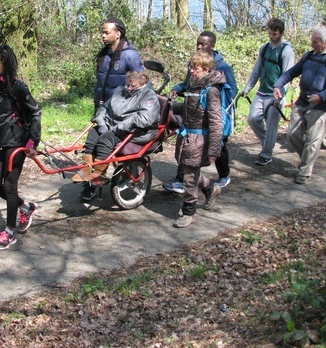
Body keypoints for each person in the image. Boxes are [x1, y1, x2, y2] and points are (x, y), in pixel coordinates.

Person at [163, 31, 237, 193]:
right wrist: (178, 88)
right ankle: (181, 179)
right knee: (188, 143)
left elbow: (232, 91)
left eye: (203, 44)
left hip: (216, 112)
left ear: (212, 46)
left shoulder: (223, 67)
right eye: (198, 43)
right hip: (194, 112)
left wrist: (215, 105)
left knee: (219, 144)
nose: (199, 46)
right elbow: (188, 84)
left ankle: (224, 175)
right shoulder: (194, 64)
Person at [72, 71, 160, 202]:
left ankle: (99, 174)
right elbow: (104, 107)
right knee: (94, 133)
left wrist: (119, 127)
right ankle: (87, 170)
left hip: (135, 131)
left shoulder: (149, 96)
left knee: (106, 139)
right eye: (127, 85)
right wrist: (101, 122)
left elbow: (144, 119)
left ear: (142, 85)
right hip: (112, 126)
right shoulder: (120, 91)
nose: (129, 89)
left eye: (133, 86)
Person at [0, 44, 42, 251]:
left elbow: (35, 113)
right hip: (1, 140)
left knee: (10, 186)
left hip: (17, 140)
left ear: (5, 65)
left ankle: (9, 232)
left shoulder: (19, 87)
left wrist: (32, 143)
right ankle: (26, 207)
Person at [273, 24, 326, 184]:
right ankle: (307, 159)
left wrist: (321, 96)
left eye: (316, 42)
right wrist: (278, 84)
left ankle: (304, 172)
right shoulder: (309, 56)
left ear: (325, 42)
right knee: (292, 135)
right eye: (312, 41)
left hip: (319, 106)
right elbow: (291, 72)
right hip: (302, 101)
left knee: (313, 140)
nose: (312, 45)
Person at [173, 51, 224, 228]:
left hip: (200, 139)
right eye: (191, 67)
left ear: (206, 69)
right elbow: (189, 109)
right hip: (188, 137)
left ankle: (188, 212)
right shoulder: (194, 87)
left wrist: (214, 150)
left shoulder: (211, 91)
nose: (192, 71)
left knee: (188, 176)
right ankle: (210, 188)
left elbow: (217, 122)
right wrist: (168, 105)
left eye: (195, 68)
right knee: (189, 173)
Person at [242, 18, 295, 166]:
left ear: (281, 33)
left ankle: (266, 154)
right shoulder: (264, 48)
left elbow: (288, 75)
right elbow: (257, 69)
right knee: (252, 118)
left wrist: (281, 95)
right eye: (270, 33)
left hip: (276, 94)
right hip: (262, 91)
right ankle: (268, 143)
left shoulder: (287, 51)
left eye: (275, 34)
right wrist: (248, 88)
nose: (271, 37)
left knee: (272, 125)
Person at [94, 18, 145, 108]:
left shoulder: (130, 56)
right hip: (102, 109)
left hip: (121, 111)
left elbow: (140, 85)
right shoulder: (104, 55)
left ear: (118, 34)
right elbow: (100, 84)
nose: (103, 35)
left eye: (107, 33)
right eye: (102, 32)